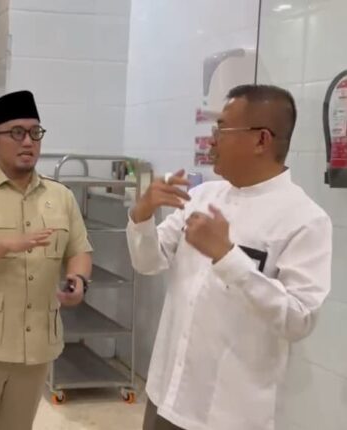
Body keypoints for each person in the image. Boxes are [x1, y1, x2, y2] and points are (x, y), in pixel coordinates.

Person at [127, 84, 332, 430]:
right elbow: (148, 262)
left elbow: (299, 319)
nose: (212, 141)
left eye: (222, 129)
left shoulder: (304, 220)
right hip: (167, 393)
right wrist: (142, 215)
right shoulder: (201, 196)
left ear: (261, 140)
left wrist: (227, 257)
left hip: (228, 413)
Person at [0, 90, 94, 430]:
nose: (28, 142)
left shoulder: (61, 196)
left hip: (36, 345)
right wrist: (7, 244)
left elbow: (79, 250)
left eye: (35, 132)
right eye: (17, 132)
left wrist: (79, 280)